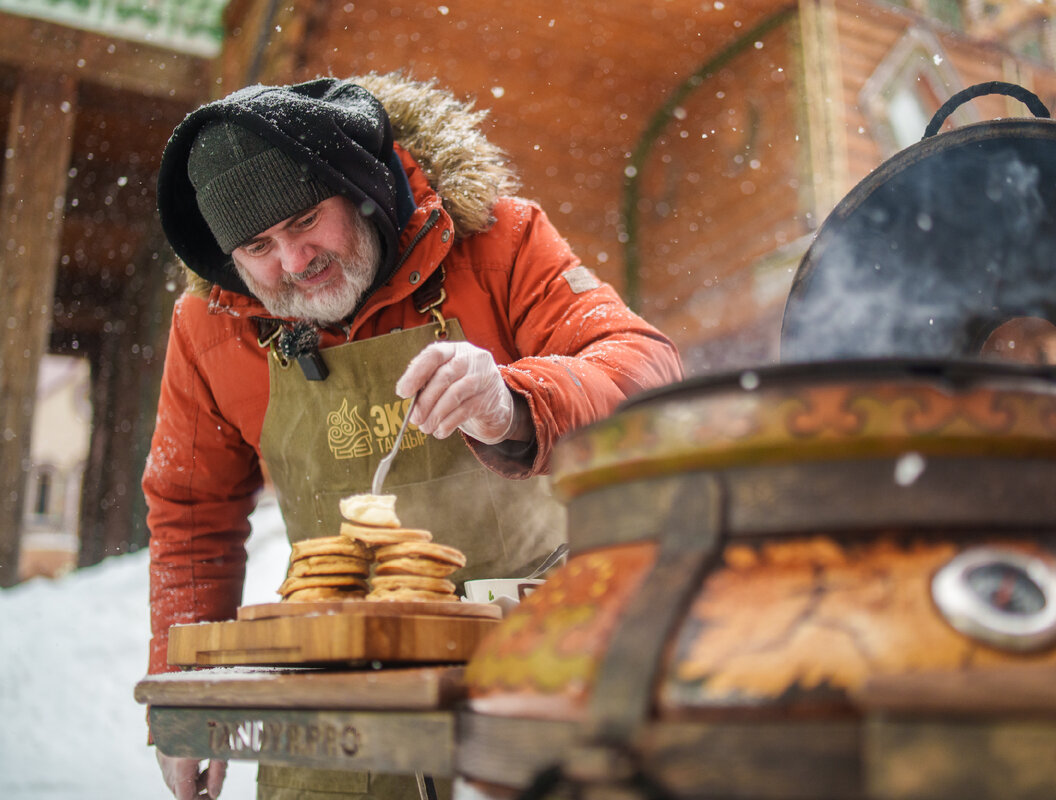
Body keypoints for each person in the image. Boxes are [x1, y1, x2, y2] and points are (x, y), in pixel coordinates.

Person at [144, 71, 684, 800]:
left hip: (535, 673)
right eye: (258, 246)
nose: (294, 262)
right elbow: (190, 510)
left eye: (306, 220)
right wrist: (183, 693)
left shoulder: (500, 242)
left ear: (356, 183)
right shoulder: (211, 328)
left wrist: (515, 403)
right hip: (335, 707)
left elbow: (648, 370)